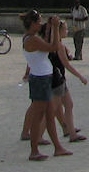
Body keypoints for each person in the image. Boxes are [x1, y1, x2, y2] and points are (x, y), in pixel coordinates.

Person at [20, 11, 68, 161]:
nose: (40, 25)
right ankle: (34, 150)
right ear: (33, 24)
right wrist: (55, 27)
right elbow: (53, 47)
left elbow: (47, 45)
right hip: (40, 79)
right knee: (39, 116)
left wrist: (49, 29)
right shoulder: (32, 39)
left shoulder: (31, 37)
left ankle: (57, 147)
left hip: (42, 77)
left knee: (49, 115)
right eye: (39, 22)